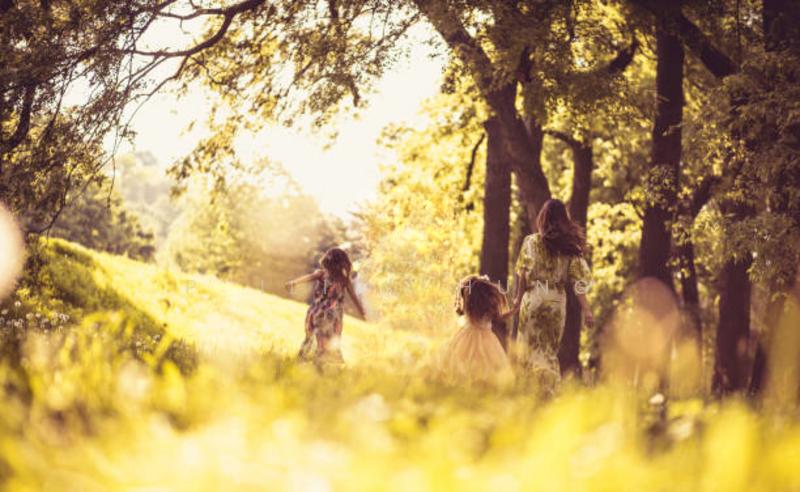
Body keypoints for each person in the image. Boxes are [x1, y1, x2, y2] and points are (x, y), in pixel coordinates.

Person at [512, 199, 593, 390]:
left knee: (528, 350)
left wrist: (517, 300)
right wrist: (587, 310)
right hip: (556, 302)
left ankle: (527, 392)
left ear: (542, 218)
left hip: (533, 299)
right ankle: (548, 391)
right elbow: (579, 282)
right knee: (548, 351)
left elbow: (523, 274)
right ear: (564, 220)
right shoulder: (570, 248)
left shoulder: (530, 241)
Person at [286, 248, 366, 363]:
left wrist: (294, 283)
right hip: (332, 315)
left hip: (317, 311)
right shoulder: (344, 280)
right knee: (329, 338)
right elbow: (354, 298)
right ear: (343, 263)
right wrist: (362, 313)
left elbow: (308, 278)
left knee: (313, 336)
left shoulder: (322, 274)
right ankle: (321, 360)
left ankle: (307, 357)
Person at [439, 275, 516, 384]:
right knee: (486, 365)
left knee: (463, 363)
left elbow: (497, 317)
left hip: (465, 339)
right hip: (487, 341)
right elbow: (498, 317)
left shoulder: (470, 310)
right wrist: (512, 312)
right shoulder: (484, 310)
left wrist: (511, 312)